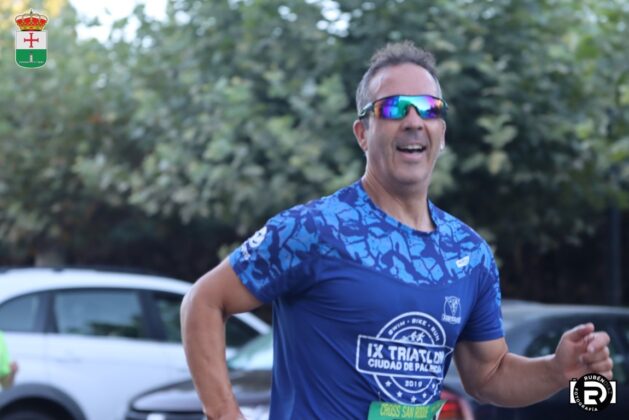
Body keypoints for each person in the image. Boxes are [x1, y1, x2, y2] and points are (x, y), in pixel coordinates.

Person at [181, 41, 613, 419]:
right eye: (392, 108)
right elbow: (203, 301)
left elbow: (489, 375)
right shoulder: (313, 229)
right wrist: (224, 413)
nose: (413, 120)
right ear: (362, 133)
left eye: (428, 109)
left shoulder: (469, 254)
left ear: (441, 132)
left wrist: (557, 370)